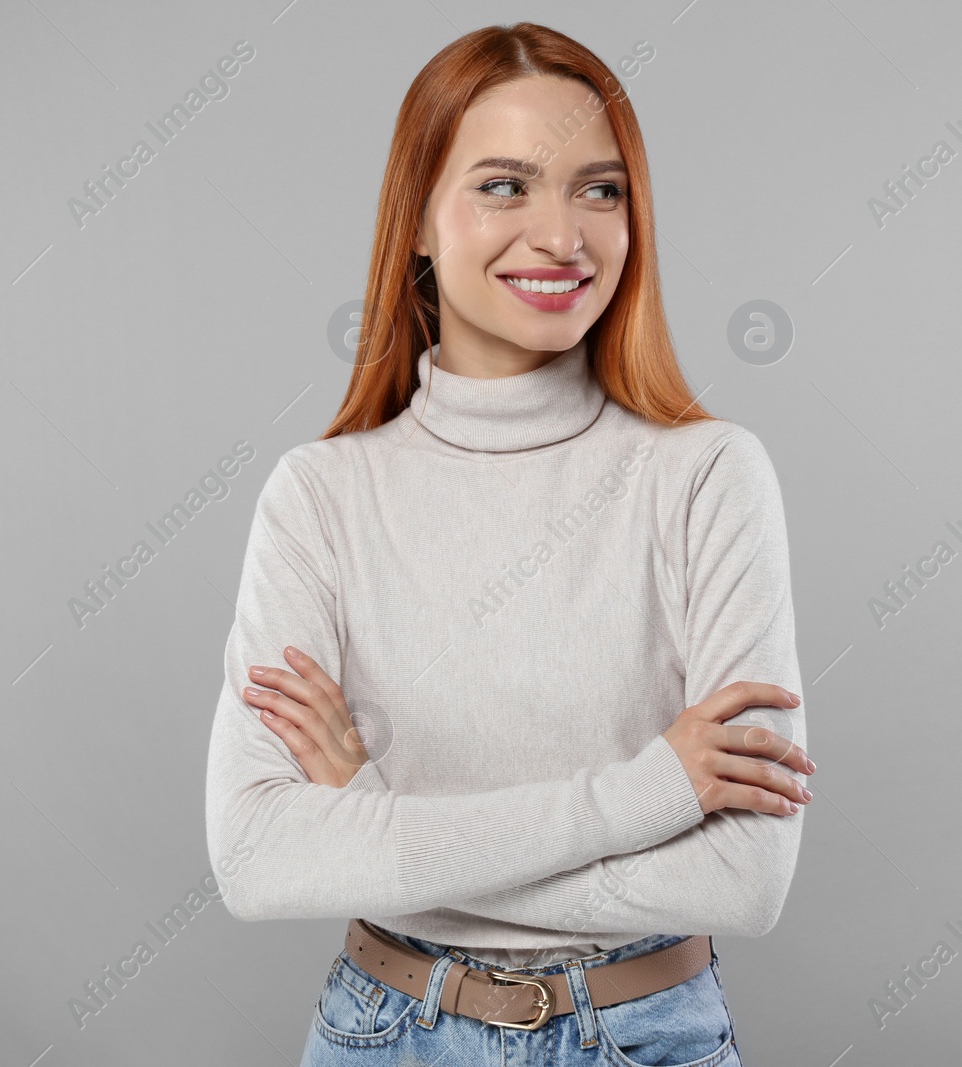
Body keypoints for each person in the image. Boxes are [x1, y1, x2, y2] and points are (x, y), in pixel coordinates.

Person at [203, 21, 813, 1065]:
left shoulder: (705, 476)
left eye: (600, 188)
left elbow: (744, 880)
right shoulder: (323, 496)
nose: (562, 234)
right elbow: (256, 856)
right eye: (503, 185)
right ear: (421, 223)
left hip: (644, 1035)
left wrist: (375, 826)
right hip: (389, 1035)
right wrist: (651, 791)